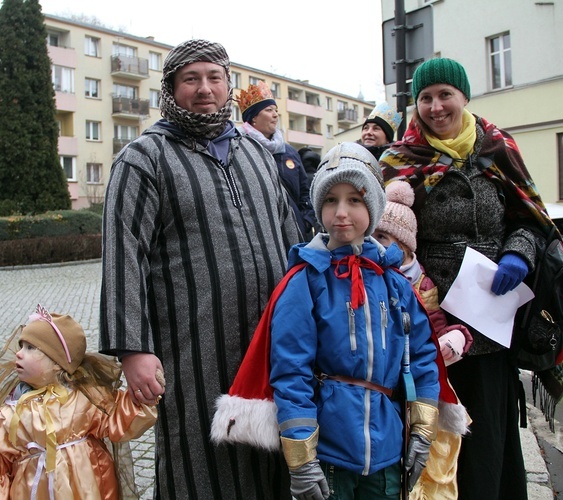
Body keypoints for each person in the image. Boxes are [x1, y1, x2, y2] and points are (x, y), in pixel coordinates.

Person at [100, 39, 300, 499]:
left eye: (214, 77)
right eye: (191, 79)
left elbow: (292, 241)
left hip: (272, 341)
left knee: (275, 459)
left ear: (228, 85)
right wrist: (134, 349)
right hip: (191, 348)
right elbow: (123, 255)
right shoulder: (143, 157)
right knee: (199, 466)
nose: (204, 89)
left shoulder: (257, 155)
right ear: (172, 88)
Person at [212, 142, 440, 500]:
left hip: (388, 455)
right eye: (331, 200)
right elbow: (291, 371)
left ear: (374, 206)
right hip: (328, 458)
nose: (341, 213)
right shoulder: (305, 282)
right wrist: (302, 459)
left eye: (355, 199)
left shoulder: (395, 283)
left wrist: (424, 431)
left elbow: (423, 357)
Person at [380, 57, 557, 499]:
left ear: (464, 97)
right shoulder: (399, 160)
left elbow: (531, 219)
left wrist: (517, 253)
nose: (435, 106)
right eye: (425, 98)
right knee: (438, 432)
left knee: (491, 434)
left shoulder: (497, 149)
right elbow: (383, 234)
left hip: (494, 315)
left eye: (445, 95)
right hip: (431, 317)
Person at [0, 305, 158, 499]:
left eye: (30, 348)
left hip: (89, 488)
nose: (19, 354)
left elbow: (118, 417)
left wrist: (144, 394)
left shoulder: (84, 399)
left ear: (57, 363)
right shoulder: (11, 413)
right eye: (21, 346)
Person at [373, 181, 472, 499]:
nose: (376, 243)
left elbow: (437, 328)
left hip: (418, 392)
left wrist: (456, 339)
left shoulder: (422, 285)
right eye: (373, 235)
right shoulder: (366, 276)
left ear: (404, 246)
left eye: (383, 237)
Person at [239, 81, 316, 240]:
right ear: (253, 117)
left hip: (296, 233)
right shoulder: (239, 149)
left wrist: (306, 221)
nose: (275, 115)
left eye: (276, 110)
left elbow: (305, 191)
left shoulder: (289, 152)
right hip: (260, 236)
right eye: (268, 110)